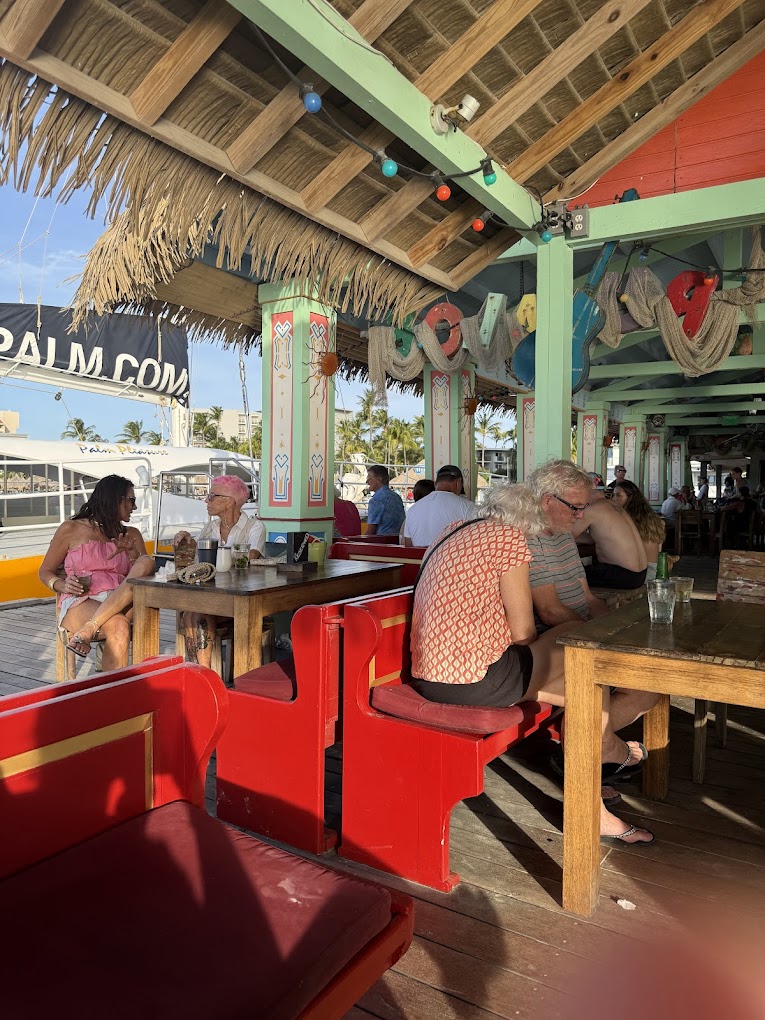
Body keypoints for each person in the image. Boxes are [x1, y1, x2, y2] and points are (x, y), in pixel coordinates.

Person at [410, 480, 654, 846]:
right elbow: (523, 631)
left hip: (431, 674)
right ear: (528, 519)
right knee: (582, 659)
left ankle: (599, 784)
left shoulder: (455, 529)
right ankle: (606, 765)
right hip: (477, 680)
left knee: (586, 689)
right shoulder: (509, 538)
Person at [38, 474, 155, 667]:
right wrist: (61, 584)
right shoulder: (71, 529)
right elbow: (45, 571)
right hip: (82, 600)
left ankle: (89, 629)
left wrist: (132, 552)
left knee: (145, 561)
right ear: (115, 499)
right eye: (131, 500)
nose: (134, 507)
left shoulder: (131, 535)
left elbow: (146, 576)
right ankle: (112, 684)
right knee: (118, 626)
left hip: (124, 601)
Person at [173, 475, 266, 667]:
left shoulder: (254, 527)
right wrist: (187, 541)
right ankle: (201, 672)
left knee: (196, 614)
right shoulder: (210, 528)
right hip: (210, 597)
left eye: (212, 496)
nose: (206, 501)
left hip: (240, 600)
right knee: (191, 614)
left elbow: (250, 557)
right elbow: (198, 563)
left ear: (229, 501)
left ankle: (202, 672)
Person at [525, 460, 608, 631]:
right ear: (547, 501)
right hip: (559, 636)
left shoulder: (564, 533)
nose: (580, 515)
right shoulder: (529, 539)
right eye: (575, 507)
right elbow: (551, 612)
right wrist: (595, 633)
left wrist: (611, 628)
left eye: (583, 507)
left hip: (582, 626)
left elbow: (588, 598)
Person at [571, 487, 647, 589]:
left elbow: (564, 537)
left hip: (621, 575)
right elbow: (595, 538)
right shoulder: (614, 506)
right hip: (640, 575)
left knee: (568, 574)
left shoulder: (592, 509)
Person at [403, 464, 474, 547]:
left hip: (420, 556)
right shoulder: (467, 507)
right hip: (450, 555)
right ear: (458, 482)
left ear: (435, 483)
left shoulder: (412, 510)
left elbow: (408, 546)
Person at [612, 480, 666, 581]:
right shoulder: (651, 517)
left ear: (630, 497)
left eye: (618, 495)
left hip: (638, 573)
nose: (614, 499)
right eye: (613, 495)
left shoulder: (626, 519)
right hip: (652, 571)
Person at [365, 464, 405, 536]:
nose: (367, 481)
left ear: (379, 480)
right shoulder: (397, 497)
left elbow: (370, 532)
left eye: (369, 478)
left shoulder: (376, 500)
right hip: (399, 539)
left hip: (382, 540)